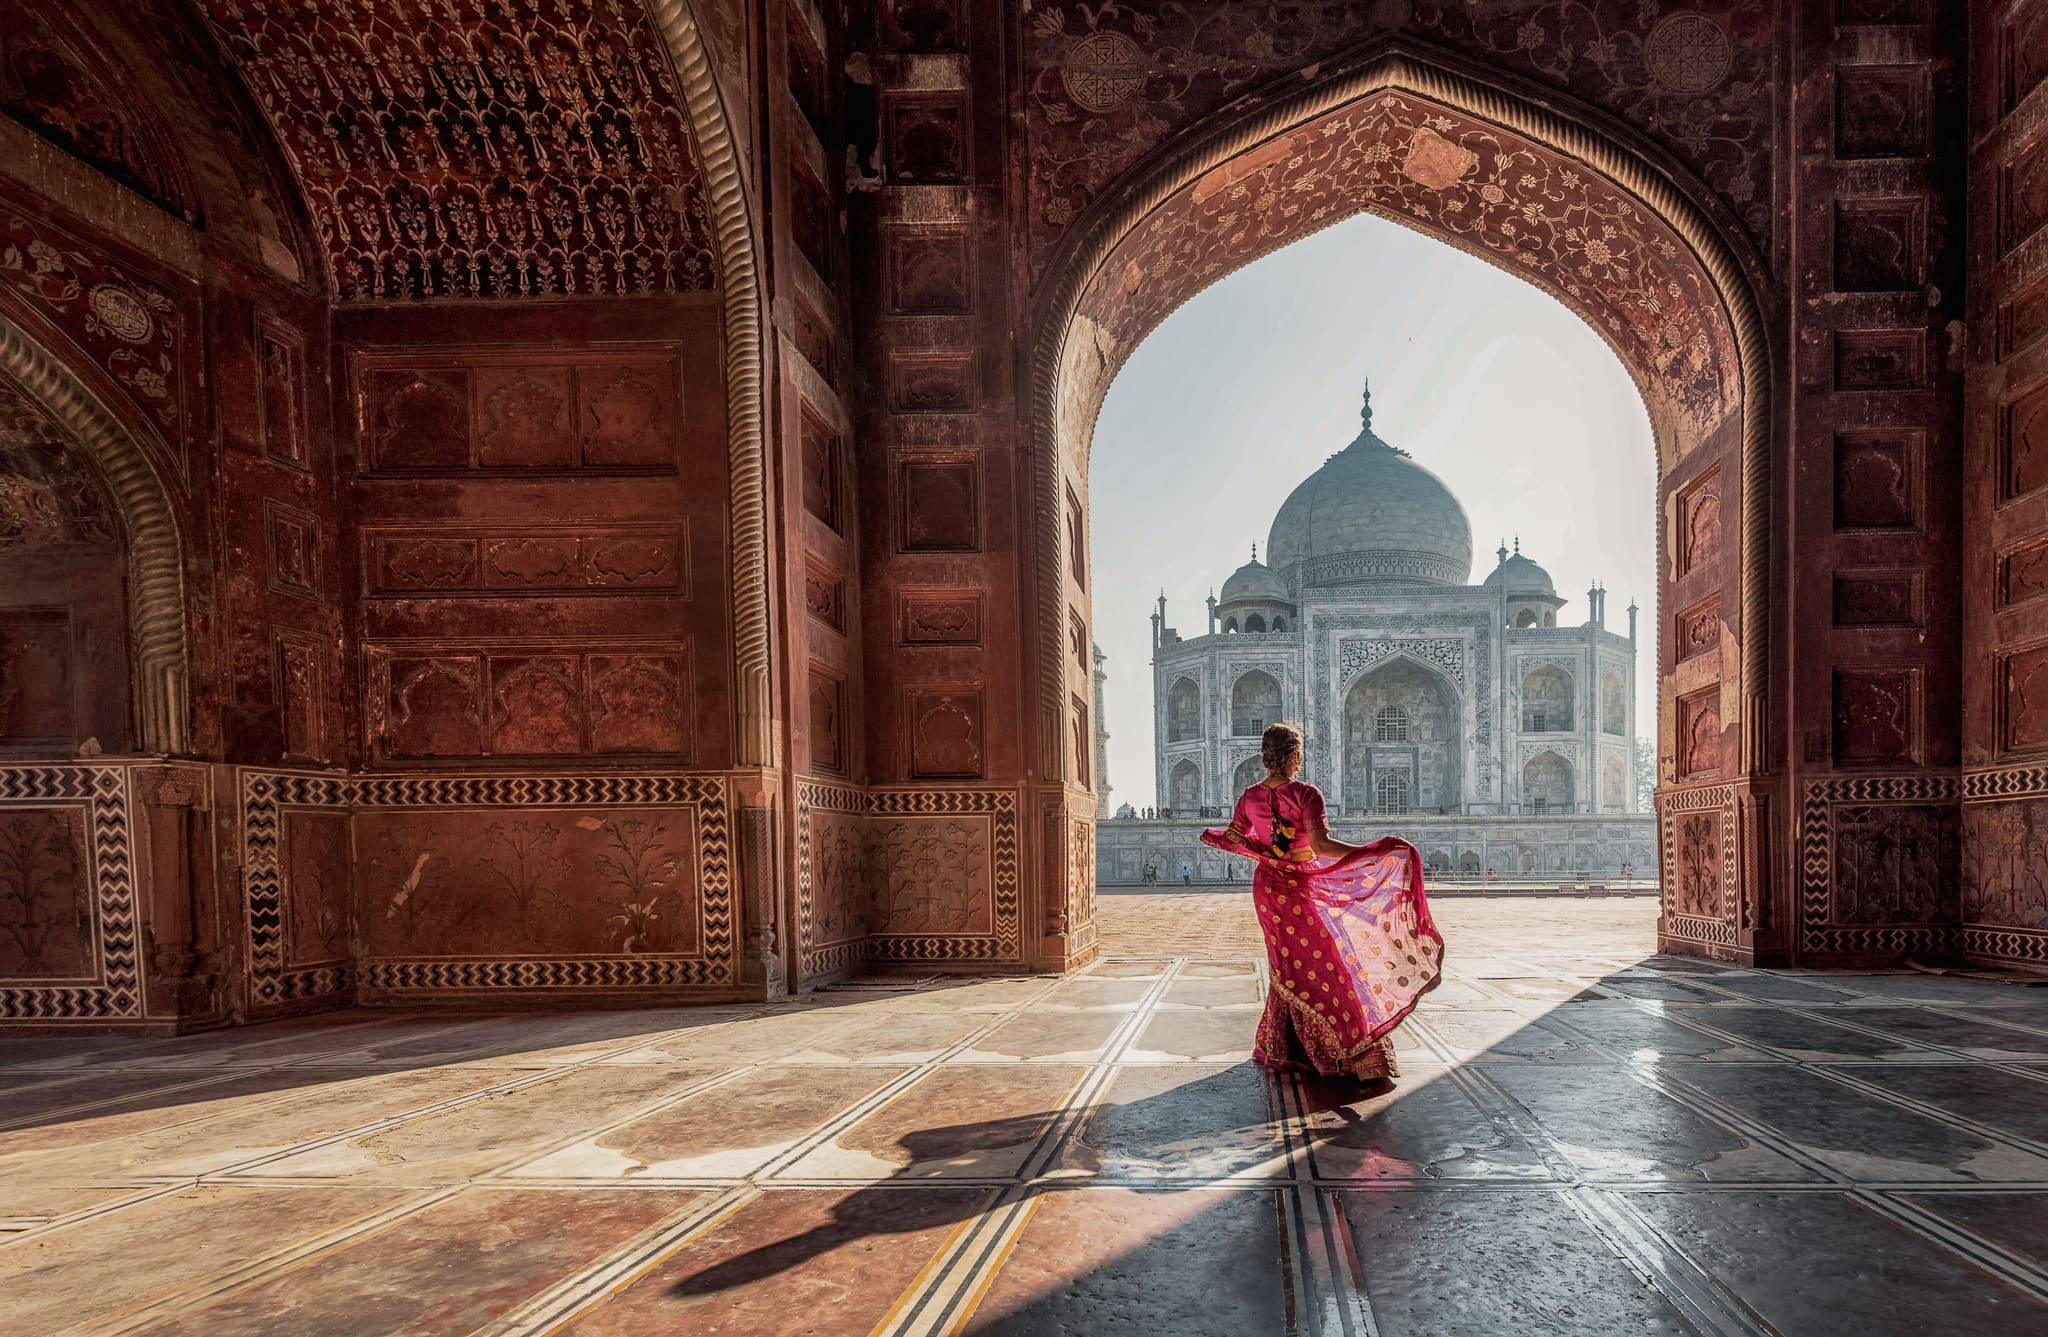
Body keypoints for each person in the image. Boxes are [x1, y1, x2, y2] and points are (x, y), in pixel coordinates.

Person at [1202, 721, 1444, 1084]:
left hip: (1269, 887)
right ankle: (1346, 1050)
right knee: (1327, 960)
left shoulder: (1249, 797)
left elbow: (1236, 838)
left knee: (1290, 965)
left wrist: (1266, 854)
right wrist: (1369, 852)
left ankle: (1285, 1047)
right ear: (1296, 756)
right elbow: (1321, 846)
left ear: (1266, 756)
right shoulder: (1305, 793)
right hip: (1300, 883)